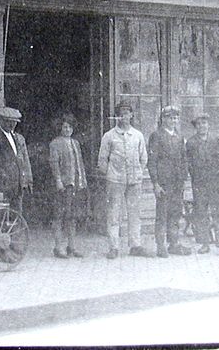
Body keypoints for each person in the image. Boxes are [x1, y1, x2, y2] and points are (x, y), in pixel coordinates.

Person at [97, 101, 150, 259]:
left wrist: (137, 173)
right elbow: (102, 160)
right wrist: (111, 175)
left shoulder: (137, 135)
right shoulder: (109, 136)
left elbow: (143, 158)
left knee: (134, 213)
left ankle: (135, 245)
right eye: (120, 113)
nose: (124, 116)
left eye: (127, 113)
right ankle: (114, 247)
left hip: (134, 181)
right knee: (114, 214)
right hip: (115, 181)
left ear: (131, 115)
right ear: (116, 116)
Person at [186, 113, 219, 258]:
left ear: (208, 125)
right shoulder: (191, 142)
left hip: (215, 180)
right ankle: (205, 243)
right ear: (195, 127)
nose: (202, 126)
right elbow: (188, 162)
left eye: (204, 123)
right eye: (199, 124)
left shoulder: (217, 139)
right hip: (199, 182)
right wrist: (195, 175)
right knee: (201, 212)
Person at [148, 106, 192, 258]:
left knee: (175, 213)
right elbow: (152, 161)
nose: (174, 121)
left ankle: (174, 244)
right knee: (162, 214)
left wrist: (184, 178)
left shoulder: (179, 137)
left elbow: (184, 159)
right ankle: (161, 246)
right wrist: (155, 183)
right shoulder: (156, 136)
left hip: (177, 183)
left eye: (176, 118)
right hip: (163, 183)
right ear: (163, 119)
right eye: (170, 118)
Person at [48, 114, 88, 259]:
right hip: (63, 185)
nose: (67, 129)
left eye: (70, 127)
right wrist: (58, 180)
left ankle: (71, 246)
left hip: (75, 184)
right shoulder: (55, 143)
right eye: (65, 127)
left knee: (72, 217)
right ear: (60, 128)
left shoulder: (75, 143)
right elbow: (54, 164)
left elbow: (79, 163)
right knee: (59, 216)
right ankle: (58, 247)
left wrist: (82, 181)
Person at [0, 106, 34, 217]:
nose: (12, 125)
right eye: (9, 122)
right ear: (2, 121)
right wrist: (2, 176)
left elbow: (23, 160)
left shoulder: (17, 138)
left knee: (17, 214)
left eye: (14, 122)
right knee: (4, 215)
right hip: (3, 184)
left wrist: (27, 180)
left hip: (17, 185)